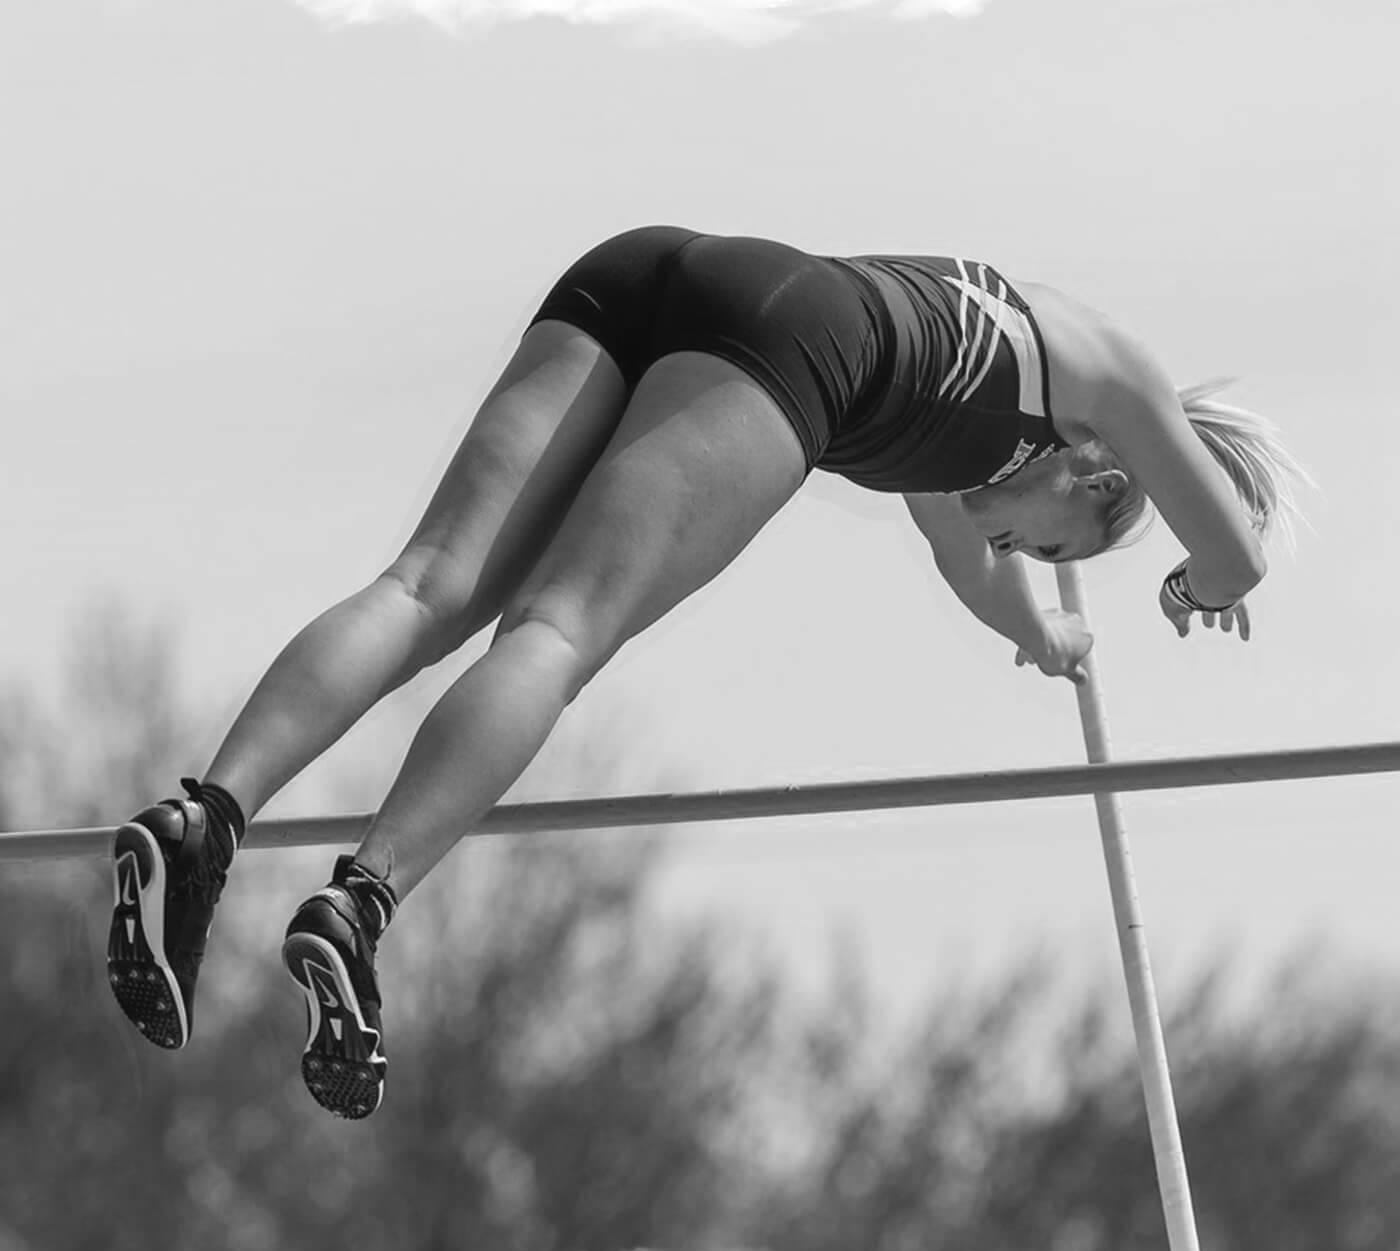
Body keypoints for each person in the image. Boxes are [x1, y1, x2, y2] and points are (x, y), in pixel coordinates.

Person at [105, 224, 1310, 1119]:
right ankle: (359, 907)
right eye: (1048, 544)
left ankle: (203, 814)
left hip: (651, 272)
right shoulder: (1110, 383)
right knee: (556, 632)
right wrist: (1184, 590)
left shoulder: (978, 406)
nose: (1016, 549)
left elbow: (964, 558)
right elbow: (1235, 557)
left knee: (426, 587)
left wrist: (1042, 638)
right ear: (1095, 481)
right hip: (785, 343)